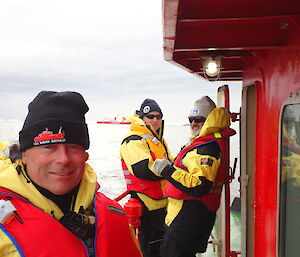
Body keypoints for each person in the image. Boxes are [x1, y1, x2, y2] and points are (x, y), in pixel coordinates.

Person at [0, 91, 141, 257]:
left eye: (73, 147)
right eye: (48, 146)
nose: (63, 159)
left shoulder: (115, 215)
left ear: (85, 155)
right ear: (24, 154)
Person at [153, 96, 236, 257]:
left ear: (209, 120)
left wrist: (166, 171)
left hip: (188, 218)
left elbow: (199, 185)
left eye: (199, 119)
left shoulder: (206, 148)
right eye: (191, 119)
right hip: (186, 216)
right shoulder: (204, 142)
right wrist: (171, 163)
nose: (193, 123)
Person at [120, 98, 174, 257]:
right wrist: (172, 171)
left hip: (164, 204)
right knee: (151, 249)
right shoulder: (133, 140)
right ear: (142, 118)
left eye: (158, 116)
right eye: (150, 116)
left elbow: (170, 160)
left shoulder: (158, 140)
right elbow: (142, 169)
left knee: (165, 247)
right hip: (146, 206)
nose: (155, 120)